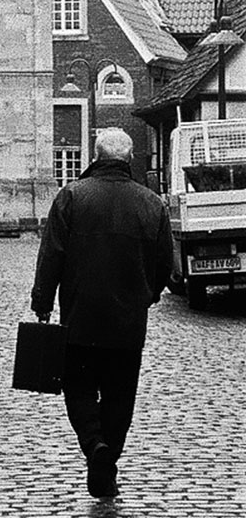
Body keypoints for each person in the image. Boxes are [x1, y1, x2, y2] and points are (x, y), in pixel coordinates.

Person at [30, 127, 173, 499]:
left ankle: (94, 445)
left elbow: (52, 256)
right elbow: (163, 265)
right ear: (129, 160)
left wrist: (43, 302)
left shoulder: (71, 197)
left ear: (95, 156)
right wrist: (148, 295)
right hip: (128, 324)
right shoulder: (151, 204)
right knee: (120, 398)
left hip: (80, 319)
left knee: (77, 390)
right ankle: (106, 465)